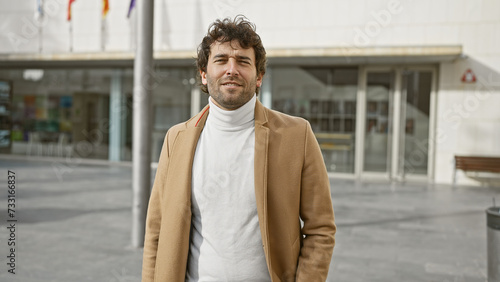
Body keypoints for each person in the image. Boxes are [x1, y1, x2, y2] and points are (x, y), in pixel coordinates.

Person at [141, 15, 336, 282]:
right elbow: (156, 230)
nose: (231, 69)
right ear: (203, 73)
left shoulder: (296, 135)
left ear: (259, 77)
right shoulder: (177, 138)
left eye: (243, 61)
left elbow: (320, 229)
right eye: (221, 60)